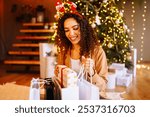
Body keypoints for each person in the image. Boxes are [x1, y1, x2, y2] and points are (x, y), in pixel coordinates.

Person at [55, 12, 108, 98]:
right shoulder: (63, 52)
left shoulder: (98, 52)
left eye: (75, 28)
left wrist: (92, 73)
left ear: (83, 29)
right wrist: (58, 72)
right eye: (67, 30)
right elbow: (60, 79)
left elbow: (102, 86)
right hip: (70, 98)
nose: (71, 34)